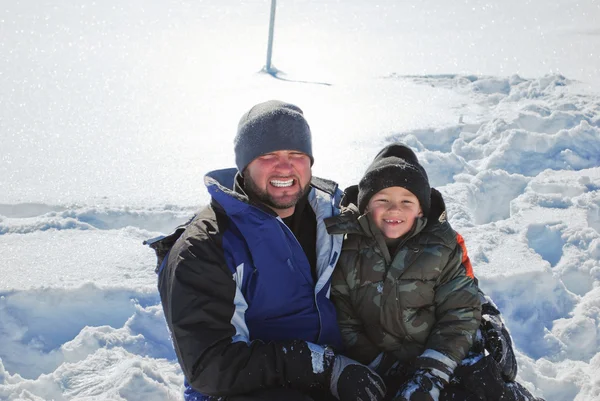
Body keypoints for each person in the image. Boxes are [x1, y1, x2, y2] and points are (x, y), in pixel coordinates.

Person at [146, 100, 386, 401]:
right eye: (268, 155)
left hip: (340, 376)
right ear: (244, 164)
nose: (284, 167)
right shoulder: (206, 246)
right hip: (244, 391)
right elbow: (210, 367)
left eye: (296, 154)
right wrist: (323, 367)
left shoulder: (333, 217)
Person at [326, 143, 544, 401]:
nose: (394, 209)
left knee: (484, 388)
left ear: (421, 209)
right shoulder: (347, 247)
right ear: (364, 206)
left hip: (447, 354)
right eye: (382, 200)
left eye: (406, 201)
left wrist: (432, 372)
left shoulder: (442, 245)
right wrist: (382, 365)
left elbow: (459, 311)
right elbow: (345, 319)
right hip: (383, 365)